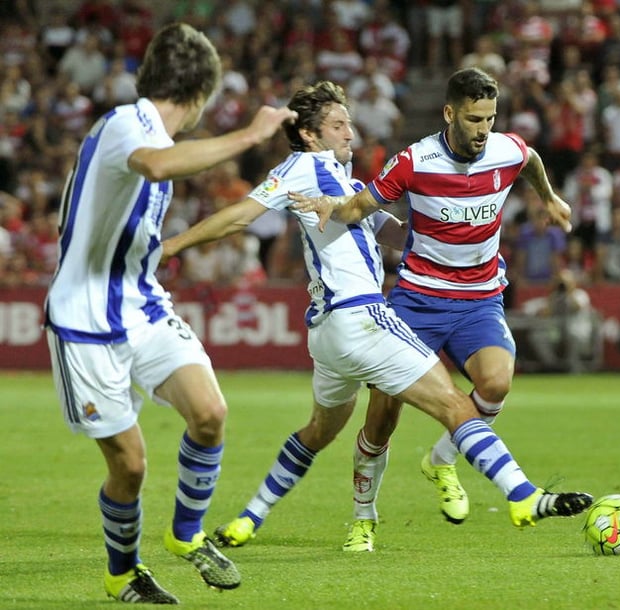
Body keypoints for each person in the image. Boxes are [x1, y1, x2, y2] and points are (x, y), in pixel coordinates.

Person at [162, 79, 592, 555]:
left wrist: (433, 229)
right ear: (308, 134)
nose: (351, 133)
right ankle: (524, 496)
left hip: (327, 333)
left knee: (318, 432)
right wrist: (172, 245)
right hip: (360, 318)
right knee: (453, 405)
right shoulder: (304, 167)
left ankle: (249, 518)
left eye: (350, 123)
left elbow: (388, 228)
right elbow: (240, 216)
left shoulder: (345, 182)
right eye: (338, 125)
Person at [42, 23, 297, 604]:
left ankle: (186, 535)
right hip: (85, 321)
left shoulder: (143, 128)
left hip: (142, 303)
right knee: (130, 467)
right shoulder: (130, 124)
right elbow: (157, 166)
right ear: (203, 92)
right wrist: (249, 135)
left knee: (209, 412)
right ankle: (122, 572)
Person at [289, 68, 581, 533]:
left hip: (479, 299)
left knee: (497, 384)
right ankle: (363, 517)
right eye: (473, 119)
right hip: (417, 300)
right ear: (449, 113)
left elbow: (531, 161)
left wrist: (550, 198)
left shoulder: (506, 149)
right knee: (382, 418)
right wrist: (333, 208)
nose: (483, 130)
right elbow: (364, 206)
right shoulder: (413, 161)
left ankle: (443, 459)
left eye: (489, 118)